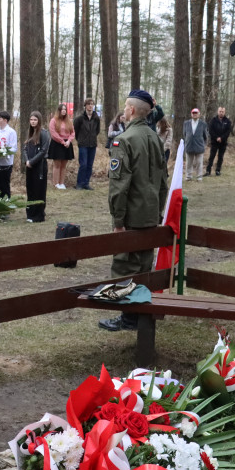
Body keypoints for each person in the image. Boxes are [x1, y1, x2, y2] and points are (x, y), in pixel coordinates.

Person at [98, 90, 168, 331]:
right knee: (144, 266)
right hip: (150, 214)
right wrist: (159, 212)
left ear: (132, 110)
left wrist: (118, 220)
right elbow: (163, 183)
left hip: (132, 216)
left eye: (126, 107)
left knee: (125, 266)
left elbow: (119, 186)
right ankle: (138, 315)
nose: (124, 110)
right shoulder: (155, 138)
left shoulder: (124, 140)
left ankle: (128, 317)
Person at [23, 111, 50, 223]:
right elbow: (24, 148)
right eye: (31, 120)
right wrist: (26, 161)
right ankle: (30, 214)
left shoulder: (44, 133)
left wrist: (32, 161)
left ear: (39, 121)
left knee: (39, 190)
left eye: (35, 120)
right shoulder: (29, 133)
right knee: (31, 190)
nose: (33, 122)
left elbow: (43, 151)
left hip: (39, 167)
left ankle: (39, 215)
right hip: (29, 166)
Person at [73, 98, 100, 190]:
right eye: (88, 104)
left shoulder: (96, 118)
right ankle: (79, 184)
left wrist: (92, 137)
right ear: (85, 106)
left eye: (92, 104)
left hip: (92, 144)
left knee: (89, 165)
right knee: (83, 164)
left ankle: (86, 183)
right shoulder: (79, 118)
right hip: (83, 144)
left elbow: (97, 131)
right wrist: (80, 140)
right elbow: (75, 131)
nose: (90, 106)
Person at [48, 103, 75, 190]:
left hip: (67, 144)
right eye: (62, 109)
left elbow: (72, 132)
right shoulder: (53, 120)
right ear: (59, 111)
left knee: (64, 164)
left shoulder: (69, 121)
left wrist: (69, 141)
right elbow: (53, 133)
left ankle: (62, 182)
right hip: (57, 144)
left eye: (65, 109)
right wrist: (62, 141)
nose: (63, 111)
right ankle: (56, 183)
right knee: (57, 164)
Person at [0, 110, 17, 196]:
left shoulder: (11, 132)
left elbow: (13, 148)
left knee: (5, 184)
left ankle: (6, 200)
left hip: (6, 163)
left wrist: (4, 152)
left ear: (5, 120)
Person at [205, 106, 232, 177]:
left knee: (220, 157)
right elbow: (210, 130)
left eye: (222, 112)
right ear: (218, 111)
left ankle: (218, 170)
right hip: (214, 142)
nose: (221, 113)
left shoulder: (227, 121)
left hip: (223, 142)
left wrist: (221, 138)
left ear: (224, 112)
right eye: (220, 111)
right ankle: (208, 171)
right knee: (211, 157)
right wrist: (216, 138)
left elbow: (228, 132)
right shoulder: (213, 120)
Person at [182, 107, 207, 181]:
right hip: (189, 145)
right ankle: (188, 176)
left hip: (199, 146)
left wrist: (203, 144)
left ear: (199, 114)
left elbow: (205, 136)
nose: (194, 114)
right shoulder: (186, 123)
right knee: (189, 163)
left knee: (199, 162)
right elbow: (185, 134)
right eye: (193, 113)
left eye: (196, 113)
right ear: (191, 114)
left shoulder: (203, 124)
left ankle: (199, 176)